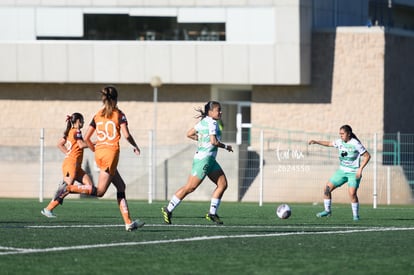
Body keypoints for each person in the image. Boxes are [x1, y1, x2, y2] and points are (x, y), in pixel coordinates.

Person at [55, 85, 144, 231]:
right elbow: (127, 135)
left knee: (121, 186)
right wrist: (135, 146)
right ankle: (68, 188)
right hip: (111, 155)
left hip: (100, 154)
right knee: (101, 192)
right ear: (116, 99)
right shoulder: (119, 114)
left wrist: (96, 150)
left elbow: (87, 138)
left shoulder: (97, 115)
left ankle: (128, 222)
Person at [161, 101, 233, 225]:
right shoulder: (212, 122)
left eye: (220, 110)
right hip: (204, 160)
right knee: (190, 187)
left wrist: (201, 139)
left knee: (222, 184)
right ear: (210, 112)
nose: (220, 112)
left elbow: (189, 134)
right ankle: (168, 209)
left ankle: (212, 213)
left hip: (210, 160)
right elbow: (214, 142)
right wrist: (226, 146)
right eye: (218, 110)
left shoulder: (204, 122)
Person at [308, 125, 371, 221]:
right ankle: (327, 210)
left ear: (349, 134)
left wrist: (360, 169)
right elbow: (329, 143)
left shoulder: (355, 143)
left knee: (352, 193)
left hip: (353, 172)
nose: (341, 136)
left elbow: (367, 156)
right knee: (327, 189)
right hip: (342, 171)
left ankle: (355, 216)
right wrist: (316, 142)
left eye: (343, 134)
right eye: (340, 134)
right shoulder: (339, 142)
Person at [41, 113, 93, 218]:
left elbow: (60, 144)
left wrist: (68, 153)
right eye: (82, 120)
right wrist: (95, 143)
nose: (83, 123)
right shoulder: (76, 131)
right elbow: (81, 145)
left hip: (76, 166)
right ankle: (48, 209)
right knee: (67, 187)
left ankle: (62, 191)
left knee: (89, 187)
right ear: (78, 121)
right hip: (71, 164)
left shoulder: (70, 132)